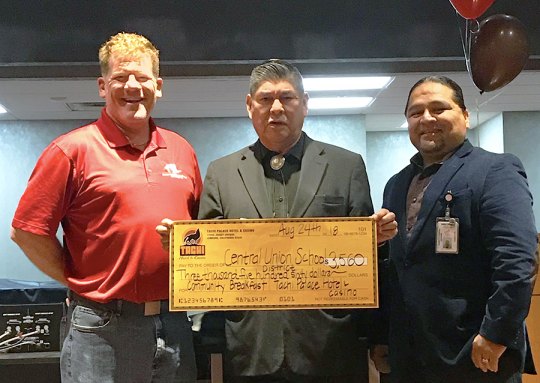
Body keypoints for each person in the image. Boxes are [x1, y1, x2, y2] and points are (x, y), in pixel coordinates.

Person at [158, 59, 397, 383]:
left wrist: (376, 237)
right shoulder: (222, 173)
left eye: (287, 98)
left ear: (305, 104)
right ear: (249, 105)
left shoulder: (346, 166)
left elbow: (368, 263)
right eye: (266, 99)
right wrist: (181, 245)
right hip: (249, 348)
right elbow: (207, 261)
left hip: (332, 347)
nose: (276, 108)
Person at [11, 32, 203, 382]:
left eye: (143, 78)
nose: (133, 86)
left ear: (158, 86)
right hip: (100, 327)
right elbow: (26, 231)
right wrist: (77, 280)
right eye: (120, 77)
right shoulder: (71, 150)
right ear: (102, 86)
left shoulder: (181, 151)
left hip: (174, 322)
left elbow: (199, 231)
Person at [381, 75, 538, 383]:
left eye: (439, 108)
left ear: (465, 116)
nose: (427, 118)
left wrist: (496, 334)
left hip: (474, 353)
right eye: (416, 112)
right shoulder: (397, 183)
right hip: (410, 357)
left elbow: (517, 262)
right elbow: (399, 267)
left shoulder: (495, 170)